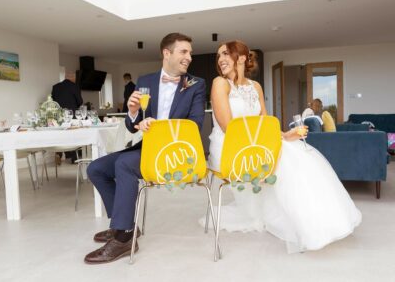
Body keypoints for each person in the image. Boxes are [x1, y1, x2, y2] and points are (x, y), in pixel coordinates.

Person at [204, 40, 361, 253]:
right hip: (229, 144)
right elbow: (227, 126)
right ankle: (303, 225)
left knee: (299, 152)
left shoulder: (255, 87)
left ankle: (314, 221)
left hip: (254, 140)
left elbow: (264, 123)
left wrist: (284, 136)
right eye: (218, 55)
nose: (220, 59)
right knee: (288, 158)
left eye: (225, 53)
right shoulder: (219, 83)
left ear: (241, 58)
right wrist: (266, 144)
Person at [84, 33, 206, 264]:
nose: (189, 57)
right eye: (184, 52)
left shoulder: (196, 84)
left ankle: (123, 236)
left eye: (190, 52)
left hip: (174, 152)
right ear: (166, 53)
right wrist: (132, 113)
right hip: (146, 147)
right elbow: (133, 126)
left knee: (123, 164)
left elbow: (195, 124)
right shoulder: (145, 81)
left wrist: (158, 127)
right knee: (96, 169)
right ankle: (125, 223)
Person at [51, 72, 83, 163]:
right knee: (73, 135)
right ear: (72, 78)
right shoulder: (74, 86)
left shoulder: (55, 87)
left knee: (60, 135)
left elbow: (53, 102)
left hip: (59, 115)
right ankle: (74, 158)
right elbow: (80, 101)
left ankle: (58, 154)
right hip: (71, 114)